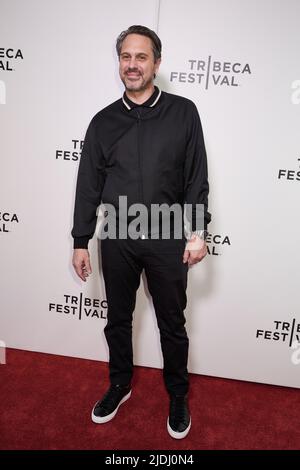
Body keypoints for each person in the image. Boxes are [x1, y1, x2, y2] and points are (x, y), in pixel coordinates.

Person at [71, 25, 211, 439]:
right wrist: (81, 240)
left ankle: (178, 394)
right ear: (120, 63)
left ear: (157, 63)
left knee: (172, 321)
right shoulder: (103, 122)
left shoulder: (184, 112)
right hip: (116, 236)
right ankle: (119, 384)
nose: (132, 65)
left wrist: (199, 230)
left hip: (168, 235)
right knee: (118, 319)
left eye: (141, 57)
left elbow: (196, 177)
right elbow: (87, 187)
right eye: (126, 57)